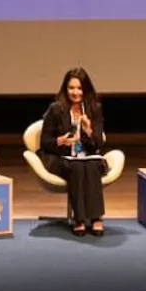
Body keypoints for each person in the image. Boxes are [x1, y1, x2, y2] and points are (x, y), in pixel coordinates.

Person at [37, 67, 109, 235]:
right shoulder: (56, 109)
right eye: (71, 88)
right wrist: (59, 141)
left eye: (79, 88)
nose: (75, 92)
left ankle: (96, 217)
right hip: (62, 157)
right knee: (76, 167)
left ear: (86, 90)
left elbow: (98, 144)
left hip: (87, 155)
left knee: (91, 165)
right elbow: (44, 142)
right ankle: (80, 219)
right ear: (65, 89)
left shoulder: (94, 108)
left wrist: (89, 129)